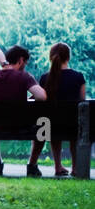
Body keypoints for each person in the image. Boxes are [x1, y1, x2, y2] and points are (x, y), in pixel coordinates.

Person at [26, 42, 86, 177]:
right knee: (73, 128)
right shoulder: (78, 77)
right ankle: (75, 168)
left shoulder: (45, 78)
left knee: (49, 122)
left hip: (49, 126)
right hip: (73, 125)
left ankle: (58, 167)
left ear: (51, 58)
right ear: (68, 58)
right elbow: (82, 104)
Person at [0, 44, 46, 176]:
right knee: (44, 125)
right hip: (21, 126)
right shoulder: (25, 76)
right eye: (25, 62)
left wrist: (3, 63)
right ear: (21, 60)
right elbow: (42, 96)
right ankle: (32, 165)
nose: (25, 65)